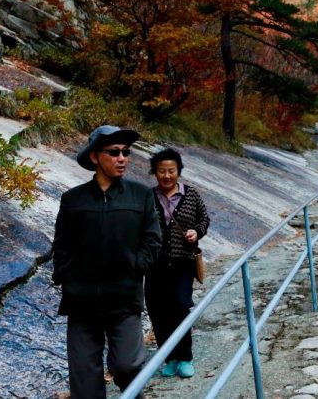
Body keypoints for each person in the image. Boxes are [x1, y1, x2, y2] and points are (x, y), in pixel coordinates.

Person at [52, 125, 161, 398]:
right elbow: (62, 244)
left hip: (124, 300)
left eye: (125, 152)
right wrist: (65, 275)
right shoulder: (72, 199)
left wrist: (136, 268)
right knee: (85, 384)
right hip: (81, 303)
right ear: (94, 157)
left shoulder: (141, 195)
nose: (122, 158)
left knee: (127, 367)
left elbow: (152, 240)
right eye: (114, 152)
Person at [144, 147, 210, 380]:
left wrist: (196, 232)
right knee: (157, 310)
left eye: (171, 170)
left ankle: (185, 357)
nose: (167, 175)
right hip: (154, 264)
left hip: (182, 263)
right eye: (161, 171)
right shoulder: (147, 196)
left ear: (179, 171)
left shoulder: (191, 195)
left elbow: (204, 219)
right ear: (155, 172)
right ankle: (169, 358)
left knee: (180, 306)